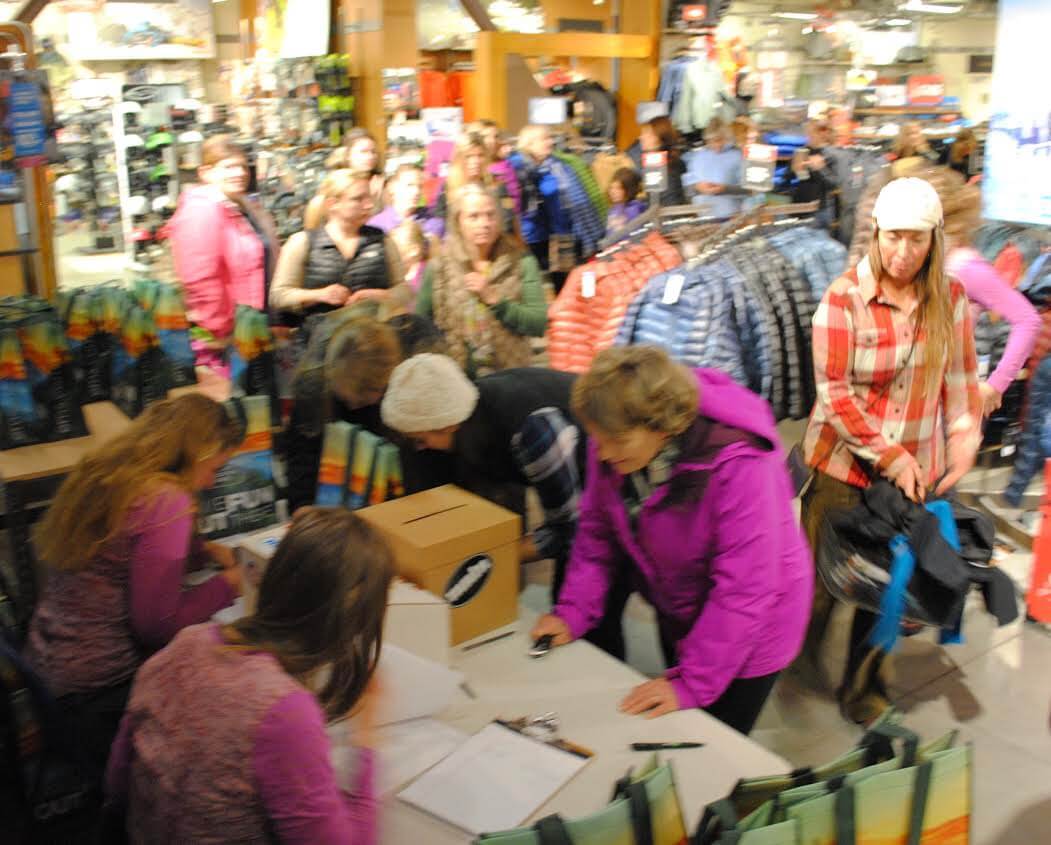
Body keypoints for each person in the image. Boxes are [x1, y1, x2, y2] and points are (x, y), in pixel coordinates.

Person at [530, 346, 813, 735]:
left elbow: (745, 591)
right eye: (598, 440)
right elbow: (597, 536)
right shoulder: (615, 441)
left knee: (711, 741)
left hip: (756, 626)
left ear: (662, 427)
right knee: (676, 722)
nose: (604, 453)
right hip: (682, 602)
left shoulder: (742, 464)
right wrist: (573, 611)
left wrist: (692, 682)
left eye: (616, 441)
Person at [800, 177, 982, 725]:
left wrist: (963, 433)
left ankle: (865, 685)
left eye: (917, 241)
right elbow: (834, 393)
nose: (903, 254)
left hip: (914, 471)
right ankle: (795, 653)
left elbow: (961, 376)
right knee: (822, 581)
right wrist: (890, 455)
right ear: (876, 233)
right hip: (842, 466)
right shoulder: (842, 299)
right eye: (894, 238)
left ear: (935, 241)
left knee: (887, 582)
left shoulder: (949, 299)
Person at [105, 508, 391, 844]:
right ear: (352, 618)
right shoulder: (284, 712)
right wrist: (367, 740)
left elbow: (117, 781)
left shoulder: (189, 641)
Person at [24, 394, 243, 778]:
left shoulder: (115, 472)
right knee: (226, 702)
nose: (210, 482)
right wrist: (230, 584)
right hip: (97, 698)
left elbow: (130, 554)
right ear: (195, 453)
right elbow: (156, 627)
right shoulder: (166, 501)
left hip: (50, 668)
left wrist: (203, 552)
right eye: (213, 468)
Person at [381, 353, 632, 658]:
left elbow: (572, 530)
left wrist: (492, 556)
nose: (419, 449)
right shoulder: (456, 418)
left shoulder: (533, 428)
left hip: (619, 501)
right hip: (576, 501)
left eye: (420, 440)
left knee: (586, 623)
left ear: (448, 425)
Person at [283, 303, 448, 511]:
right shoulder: (314, 386)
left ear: (384, 385)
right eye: (345, 397)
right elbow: (302, 458)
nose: (352, 406)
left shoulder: (409, 384)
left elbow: (420, 464)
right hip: (338, 502)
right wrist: (303, 506)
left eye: (360, 401)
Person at [924, 166, 1040, 417]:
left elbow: (1027, 320)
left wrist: (995, 385)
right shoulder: (916, 257)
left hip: (946, 404)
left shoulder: (964, 265)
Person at [169, 135, 278, 374]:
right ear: (205, 172)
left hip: (247, 327)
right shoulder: (201, 210)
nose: (239, 173)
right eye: (228, 167)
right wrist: (219, 331)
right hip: (223, 337)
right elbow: (199, 278)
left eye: (241, 166)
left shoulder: (240, 207)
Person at [416, 183, 547, 376]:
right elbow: (420, 327)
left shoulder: (521, 261)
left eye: (490, 215)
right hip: (456, 380)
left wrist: (496, 300)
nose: (484, 223)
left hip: (510, 377)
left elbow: (537, 323)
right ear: (458, 221)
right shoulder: (439, 267)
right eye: (474, 216)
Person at [269, 170, 407, 329]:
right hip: (319, 343)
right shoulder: (302, 243)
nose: (369, 205)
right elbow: (278, 296)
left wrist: (383, 296)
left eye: (368, 197)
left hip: (376, 341)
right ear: (332, 204)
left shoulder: (383, 240)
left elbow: (404, 290)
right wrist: (319, 295)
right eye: (358, 199)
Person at [431, 131, 516, 237]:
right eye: (468, 156)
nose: (475, 161)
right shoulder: (447, 187)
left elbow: (508, 221)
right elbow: (439, 223)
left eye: (480, 155)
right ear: (459, 158)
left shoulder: (497, 184)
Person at [511, 124, 571, 272]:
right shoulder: (519, 166)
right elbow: (522, 208)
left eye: (550, 138)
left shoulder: (546, 166)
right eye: (545, 139)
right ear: (529, 143)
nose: (551, 142)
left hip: (544, 234)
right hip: (529, 237)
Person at [778, 119, 837, 229]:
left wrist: (821, 169)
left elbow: (833, 184)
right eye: (807, 133)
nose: (808, 137)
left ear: (822, 134)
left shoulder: (832, 154)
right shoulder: (801, 152)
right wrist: (793, 171)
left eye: (811, 133)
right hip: (799, 208)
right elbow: (785, 180)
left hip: (819, 210)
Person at [684, 116, 745, 219]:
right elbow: (687, 190)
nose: (716, 144)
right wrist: (697, 187)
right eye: (711, 141)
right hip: (702, 215)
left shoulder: (738, 156)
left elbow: (748, 190)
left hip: (730, 215)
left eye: (720, 140)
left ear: (727, 138)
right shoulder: (697, 157)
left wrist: (725, 189)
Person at [367, 162, 442, 238]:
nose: (416, 191)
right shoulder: (377, 225)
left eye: (420, 186)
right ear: (392, 187)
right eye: (410, 185)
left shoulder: (433, 224)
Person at [470, 119, 524, 213]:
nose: (492, 141)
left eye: (495, 136)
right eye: (485, 136)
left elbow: (512, 202)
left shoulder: (504, 167)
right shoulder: (464, 166)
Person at [638, 116, 687, 206]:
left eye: (647, 134)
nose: (641, 137)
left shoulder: (657, 163)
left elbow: (661, 202)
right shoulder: (668, 161)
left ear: (660, 137)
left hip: (669, 216)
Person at [343, 127, 385, 201]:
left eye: (373, 152)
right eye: (363, 151)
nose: (370, 156)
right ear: (348, 155)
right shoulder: (338, 185)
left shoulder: (380, 182)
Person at [605, 167, 647, 233]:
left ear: (629, 190)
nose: (613, 192)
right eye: (611, 187)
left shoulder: (634, 210)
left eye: (618, 188)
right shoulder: (613, 209)